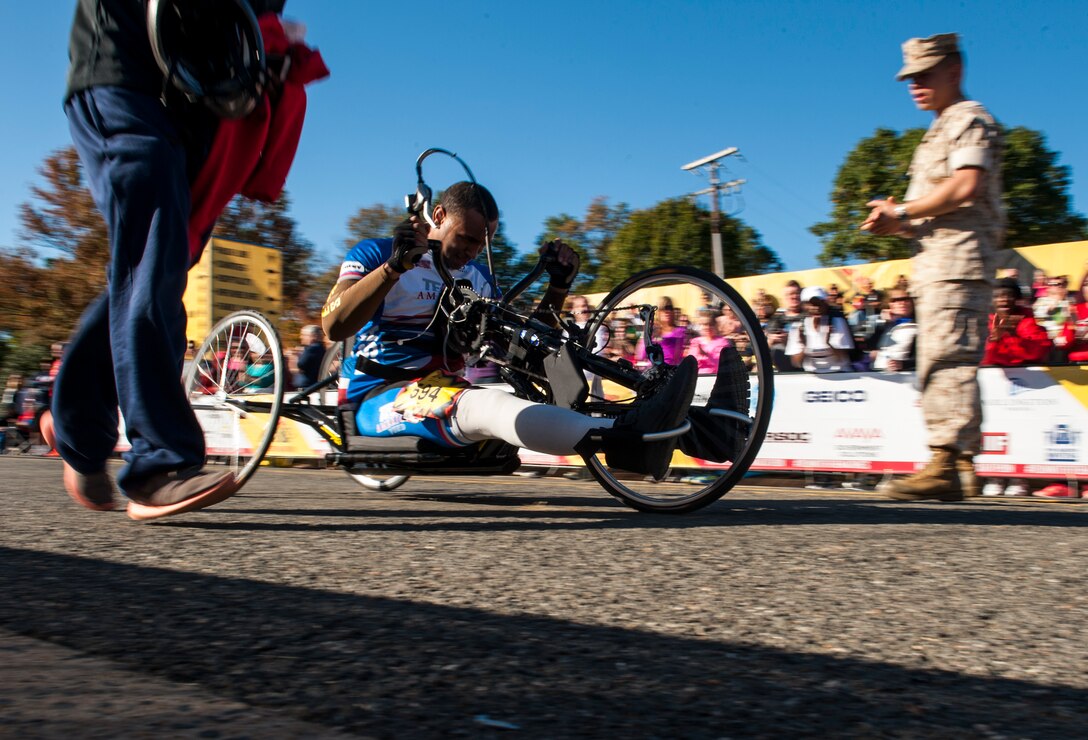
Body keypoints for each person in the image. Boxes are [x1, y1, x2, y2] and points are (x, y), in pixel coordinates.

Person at [45, 0, 302, 519]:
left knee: (156, 268)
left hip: (194, 96)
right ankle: (158, 462)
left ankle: (76, 421)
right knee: (154, 263)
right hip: (123, 75)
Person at [320, 182, 742, 481]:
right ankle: (628, 442)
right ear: (439, 216)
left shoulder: (479, 279)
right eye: (465, 237)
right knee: (481, 406)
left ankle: (710, 430)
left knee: (526, 390)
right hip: (377, 397)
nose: (470, 250)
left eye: (481, 242)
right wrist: (393, 267)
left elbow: (527, 346)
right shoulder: (377, 252)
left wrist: (558, 287)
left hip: (442, 385)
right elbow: (333, 324)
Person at [863, 33, 1004, 502]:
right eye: (909, 77)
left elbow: (965, 187)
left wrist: (903, 212)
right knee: (941, 360)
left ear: (954, 70)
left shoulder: (970, 118)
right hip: (938, 259)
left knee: (948, 360)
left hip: (959, 260)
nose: (914, 85)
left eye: (924, 74)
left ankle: (947, 462)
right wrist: (897, 222)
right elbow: (938, 209)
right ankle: (957, 466)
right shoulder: (939, 130)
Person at [982, 278, 1051, 367]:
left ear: (1016, 299)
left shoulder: (1027, 321)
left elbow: (1036, 354)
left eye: (1009, 295)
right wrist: (994, 340)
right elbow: (984, 358)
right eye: (997, 296)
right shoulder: (982, 321)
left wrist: (1014, 335)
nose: (1004, 299)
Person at [784, 287, 855, 373]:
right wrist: (804, 346)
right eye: (811, 304)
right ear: (803, 306)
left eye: (819, 303)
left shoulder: (836, 322)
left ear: (825, 304)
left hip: (839, 372)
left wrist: (829, 343)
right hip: (812, 375)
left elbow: (842, 357)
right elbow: (796, 363)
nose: (816, 308)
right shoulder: (798, 327)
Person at [869, 290, 918, 371]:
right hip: (878, 372)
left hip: (904, 375)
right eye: (895, 300)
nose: (902, 303)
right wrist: (883, 323)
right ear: (889, 304)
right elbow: (871, 347)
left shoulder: (918, 326)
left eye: (906, 299)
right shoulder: (886, 324)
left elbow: (924, 357)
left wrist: (903, 364)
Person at [1032, 275, 1075, 363]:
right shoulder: (1041, 302)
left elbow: (1073, 322)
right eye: (1052, 284)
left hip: (1063, 342)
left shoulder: (1070, 303)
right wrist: (1053, 306)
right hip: (1046, 341)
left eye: (1060, 284)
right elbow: (1038, 318)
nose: (1057, 287)